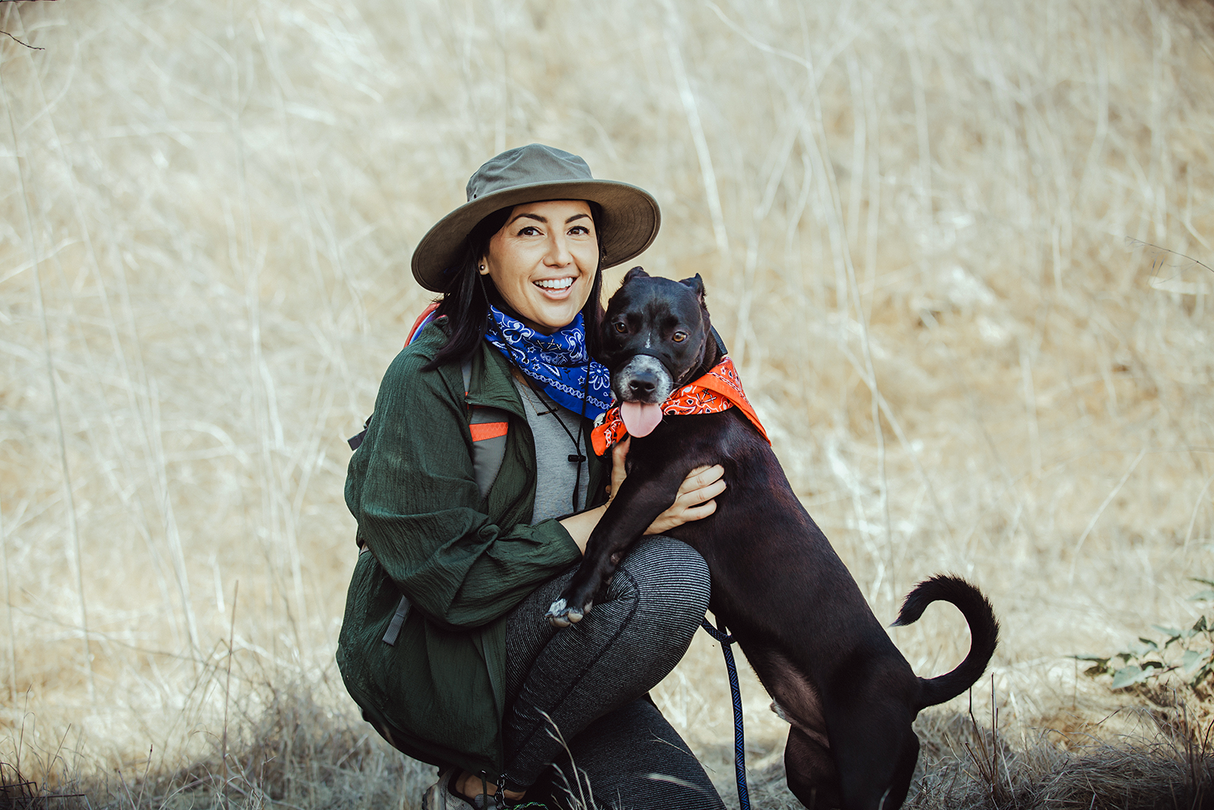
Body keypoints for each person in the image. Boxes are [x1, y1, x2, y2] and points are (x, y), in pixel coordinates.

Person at [337, 144, 728, 810]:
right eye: (529, 231)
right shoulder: (429, 379)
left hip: (568, 645)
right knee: (668, 580)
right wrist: (614, 517)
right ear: (483, 256)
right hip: (446, 660)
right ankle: (492, 781)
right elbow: (450, 583)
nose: (560, 255)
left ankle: (539, 754)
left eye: (577, 229)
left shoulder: (618, 362)